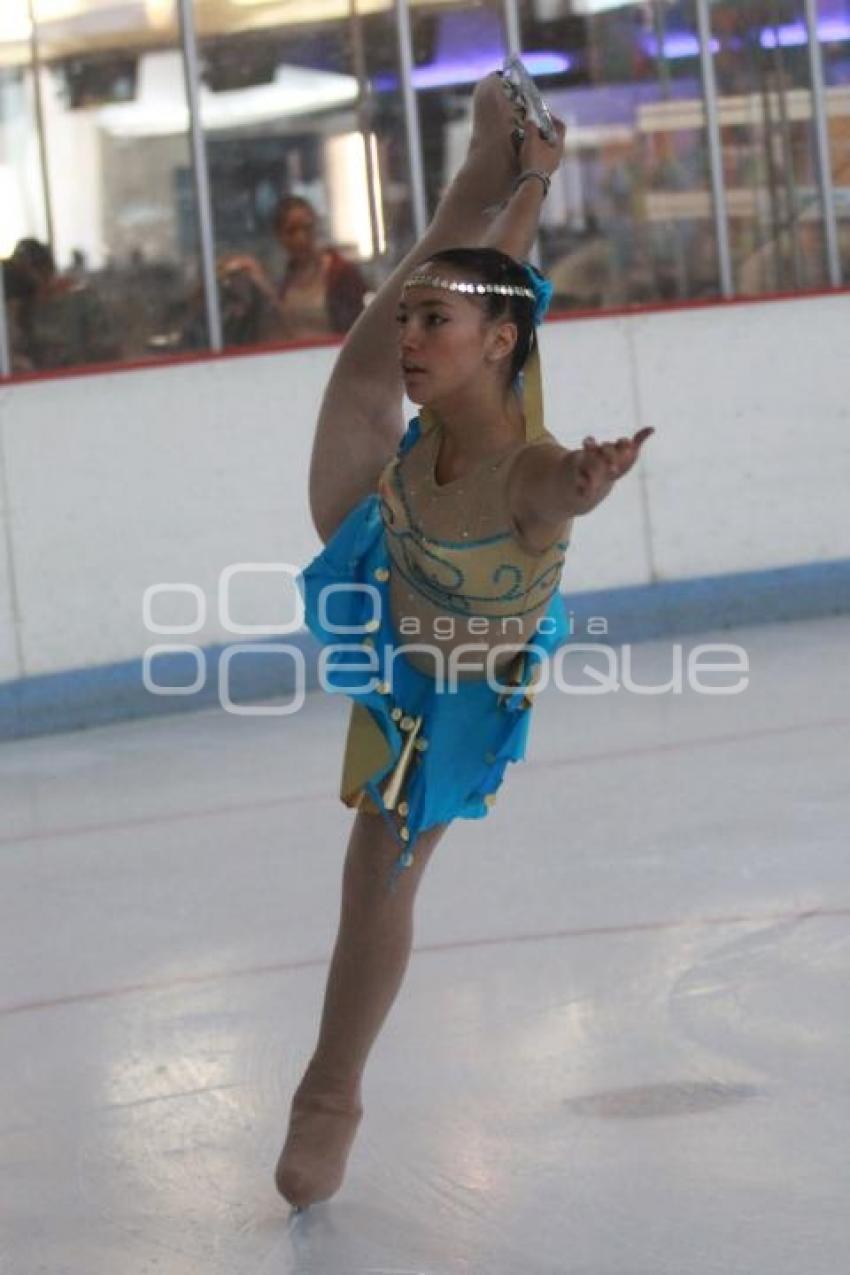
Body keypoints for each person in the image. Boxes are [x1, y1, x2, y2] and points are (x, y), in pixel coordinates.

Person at [274, 68, 653, 1212]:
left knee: (379, 864)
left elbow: (545, 486)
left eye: (430, 328)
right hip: (392, 549)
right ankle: (500, 164)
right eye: (416, 326)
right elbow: (484, 298)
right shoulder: (469, 359)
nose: (410, 339)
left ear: (493, 344)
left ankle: (330, 1095)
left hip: (445, 688)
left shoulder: (529, 465)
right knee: (376, 352)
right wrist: (526, 181)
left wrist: (585, 486)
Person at [224, 195, 368, 342]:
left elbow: (360, 329)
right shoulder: (282, 280)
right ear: (279, 236)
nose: (301, 238)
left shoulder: (341, 274)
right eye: (291, 231)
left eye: (307, 228)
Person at [7, 238, 120, 370]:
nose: (21, 282)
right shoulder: (26, 310)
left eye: (25, 273)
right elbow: (21, 349)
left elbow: (106, 348)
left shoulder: (81, 300)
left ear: (43, 271)